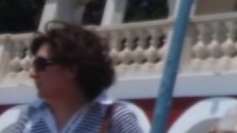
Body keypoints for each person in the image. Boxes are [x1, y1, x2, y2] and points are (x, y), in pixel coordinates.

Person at [10, 22, 143, 133]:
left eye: (41, 64)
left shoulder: (115, 119)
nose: (32, 73)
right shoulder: (29, 117)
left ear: (71, 69)